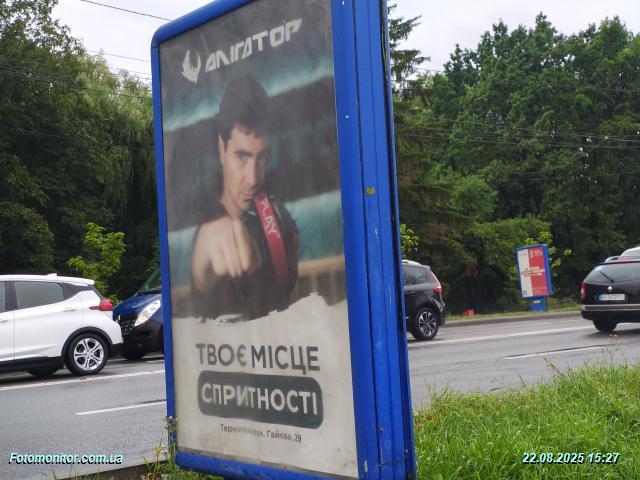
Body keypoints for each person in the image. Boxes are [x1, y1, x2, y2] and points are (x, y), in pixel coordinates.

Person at [190, 74, 298, 320]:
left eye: (261, 157)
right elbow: (201, 273)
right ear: (222, 149)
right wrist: (205, 249)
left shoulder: (273, 216)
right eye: (242, 156)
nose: (252, 178)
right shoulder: (206, 223)